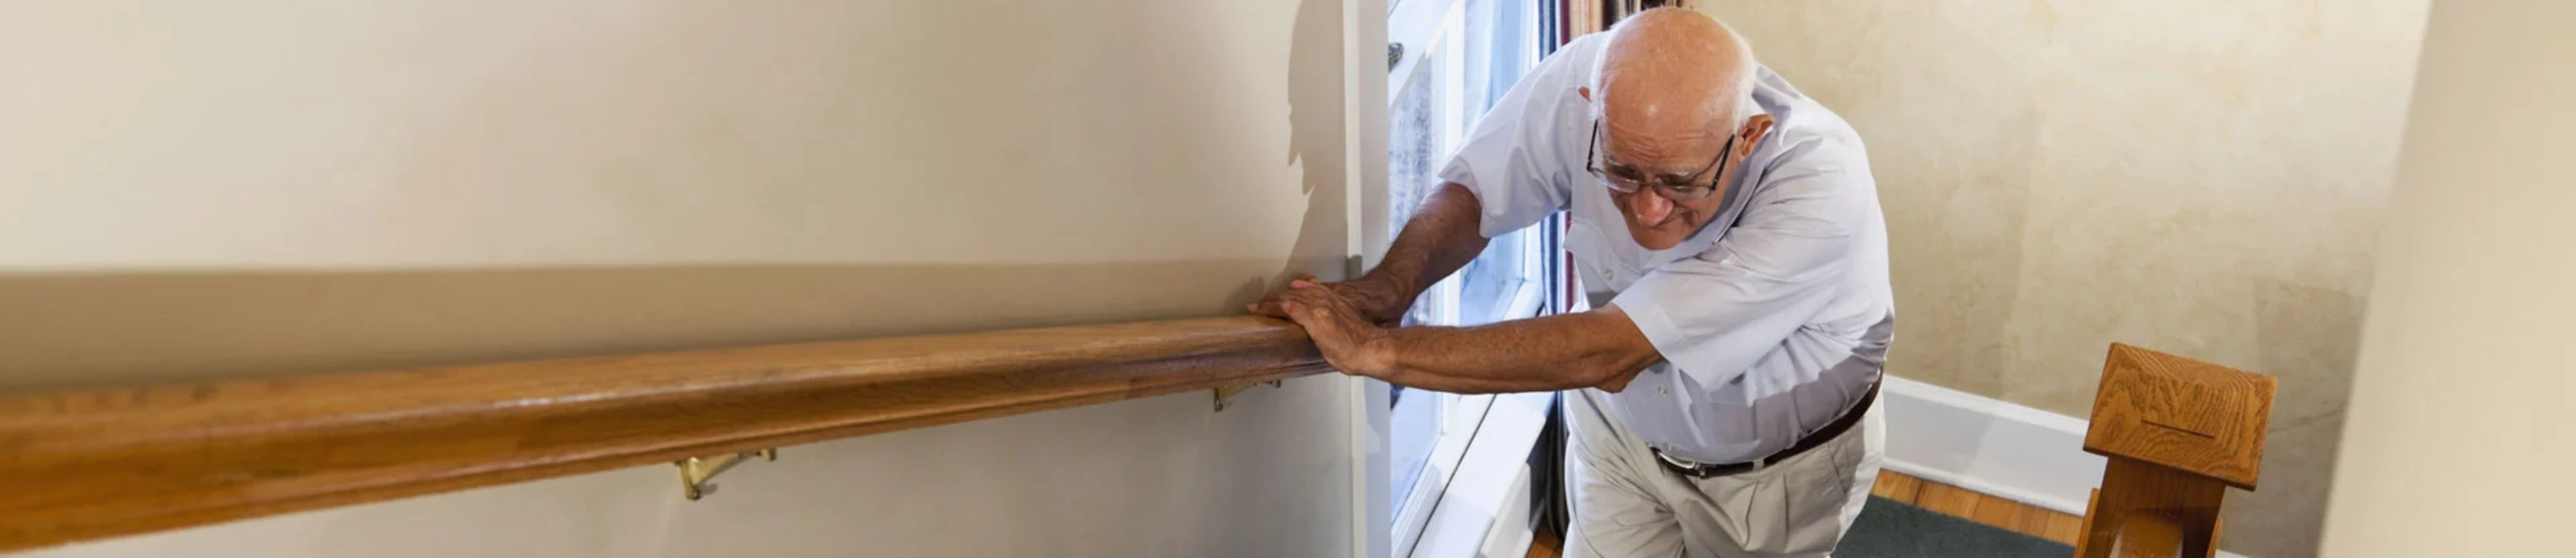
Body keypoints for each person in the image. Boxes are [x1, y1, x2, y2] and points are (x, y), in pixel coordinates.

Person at [1251, 7, 1892, 557]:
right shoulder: (1588, 77)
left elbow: (1608, 351)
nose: (1649, 209)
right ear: (1592, 108)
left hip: (1774, 476)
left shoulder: (1821, 185)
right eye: (1623, 171)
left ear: (1748, 137)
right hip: (1622, 439)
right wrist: (1393, 286)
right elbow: (1478, 192)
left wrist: (1375, 350)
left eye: (1681, 182)